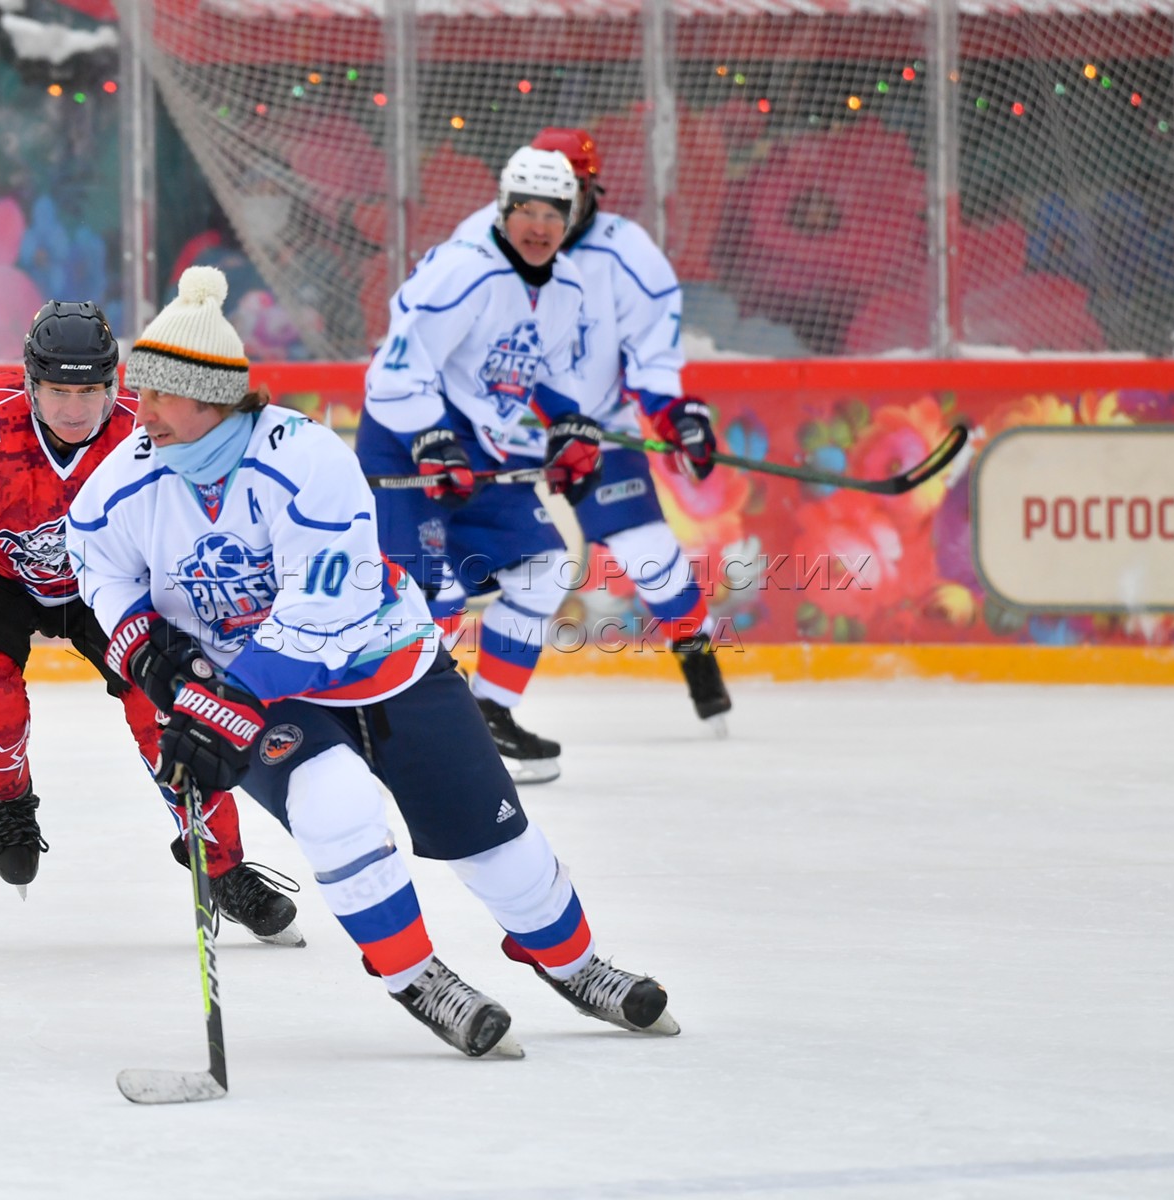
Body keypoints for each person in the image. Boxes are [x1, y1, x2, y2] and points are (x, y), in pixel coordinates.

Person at [67, 265, 677, 1058]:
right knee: (336, 808)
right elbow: (99, 571)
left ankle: (571, 962)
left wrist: (220, 705)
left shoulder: (306, 458)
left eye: (156, 395)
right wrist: (150, 655)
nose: (137, 413)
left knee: (495, 847)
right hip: (263, 692)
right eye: (136, 392)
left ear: (211, 398)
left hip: (381, 659)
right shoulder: (123, 484)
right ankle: (417, 976)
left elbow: (320, 612)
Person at [0, 300, 302, 945]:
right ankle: (9, 799)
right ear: (31, 383)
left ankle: (220, 862)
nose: (74, 409)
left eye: (89, 391)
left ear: (115, 385)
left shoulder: (149, 434)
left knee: (170, 711)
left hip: (111, 580)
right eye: (59, 391)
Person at [452, 127, 732, 735]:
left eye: (566, 195)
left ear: (590, 190)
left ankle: (697, 652)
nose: (546, 215)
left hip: (594, 429)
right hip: (501, 436)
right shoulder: (476, 242)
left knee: (648, 555)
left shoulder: (627, 252)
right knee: (494, 574)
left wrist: (674, 413)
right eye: (530, 201)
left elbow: (651, 353)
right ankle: (480, 710)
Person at [355, 145, 605, 784]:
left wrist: (569, 425)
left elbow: (543, 372)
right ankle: (413, 732)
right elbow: (392, 376)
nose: (540, 225)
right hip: (409, 442)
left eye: (555, 211)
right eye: (527, 208)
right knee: (433, 593)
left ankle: (489, 714)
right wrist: (432, 440)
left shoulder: (568, 284)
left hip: (483, 449)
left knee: (546, 570)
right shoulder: (466, 272)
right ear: (503, 208)